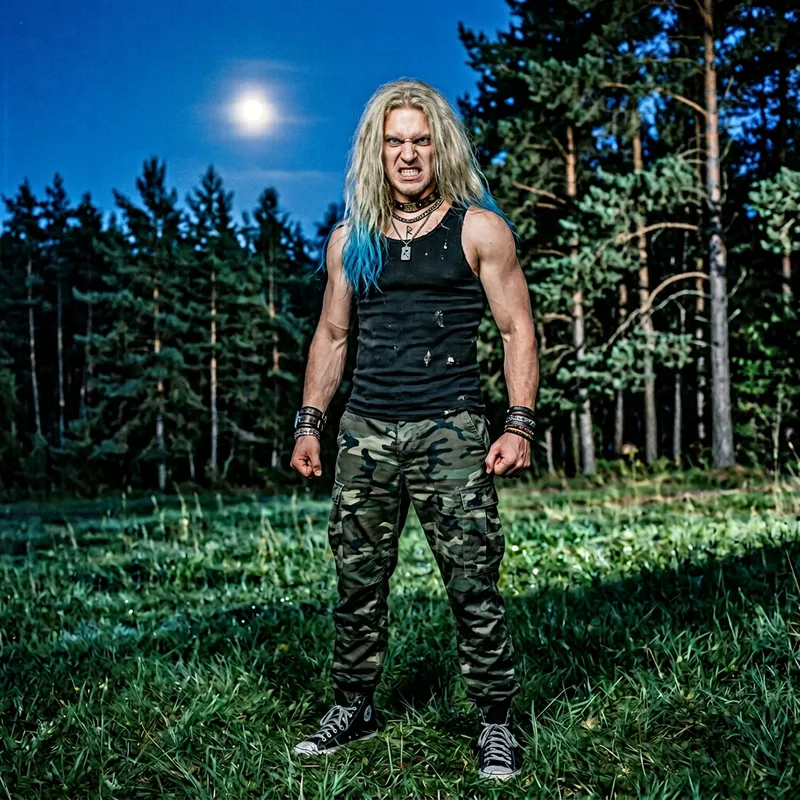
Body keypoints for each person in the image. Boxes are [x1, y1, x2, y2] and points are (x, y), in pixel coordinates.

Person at [289, 78, 539, 782]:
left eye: (420, 141)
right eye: (394, 141)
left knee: (472, 582)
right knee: (357, 580)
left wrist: (518, 425)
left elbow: (518, 330)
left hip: (449, 429)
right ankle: (353, 706)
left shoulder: (479, 231)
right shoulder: (351, 241)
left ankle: (495, 722)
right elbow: (332, 335)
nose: (407, 154)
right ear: (377, 151)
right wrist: (310, 422)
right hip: (365, 431)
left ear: (440, 148)